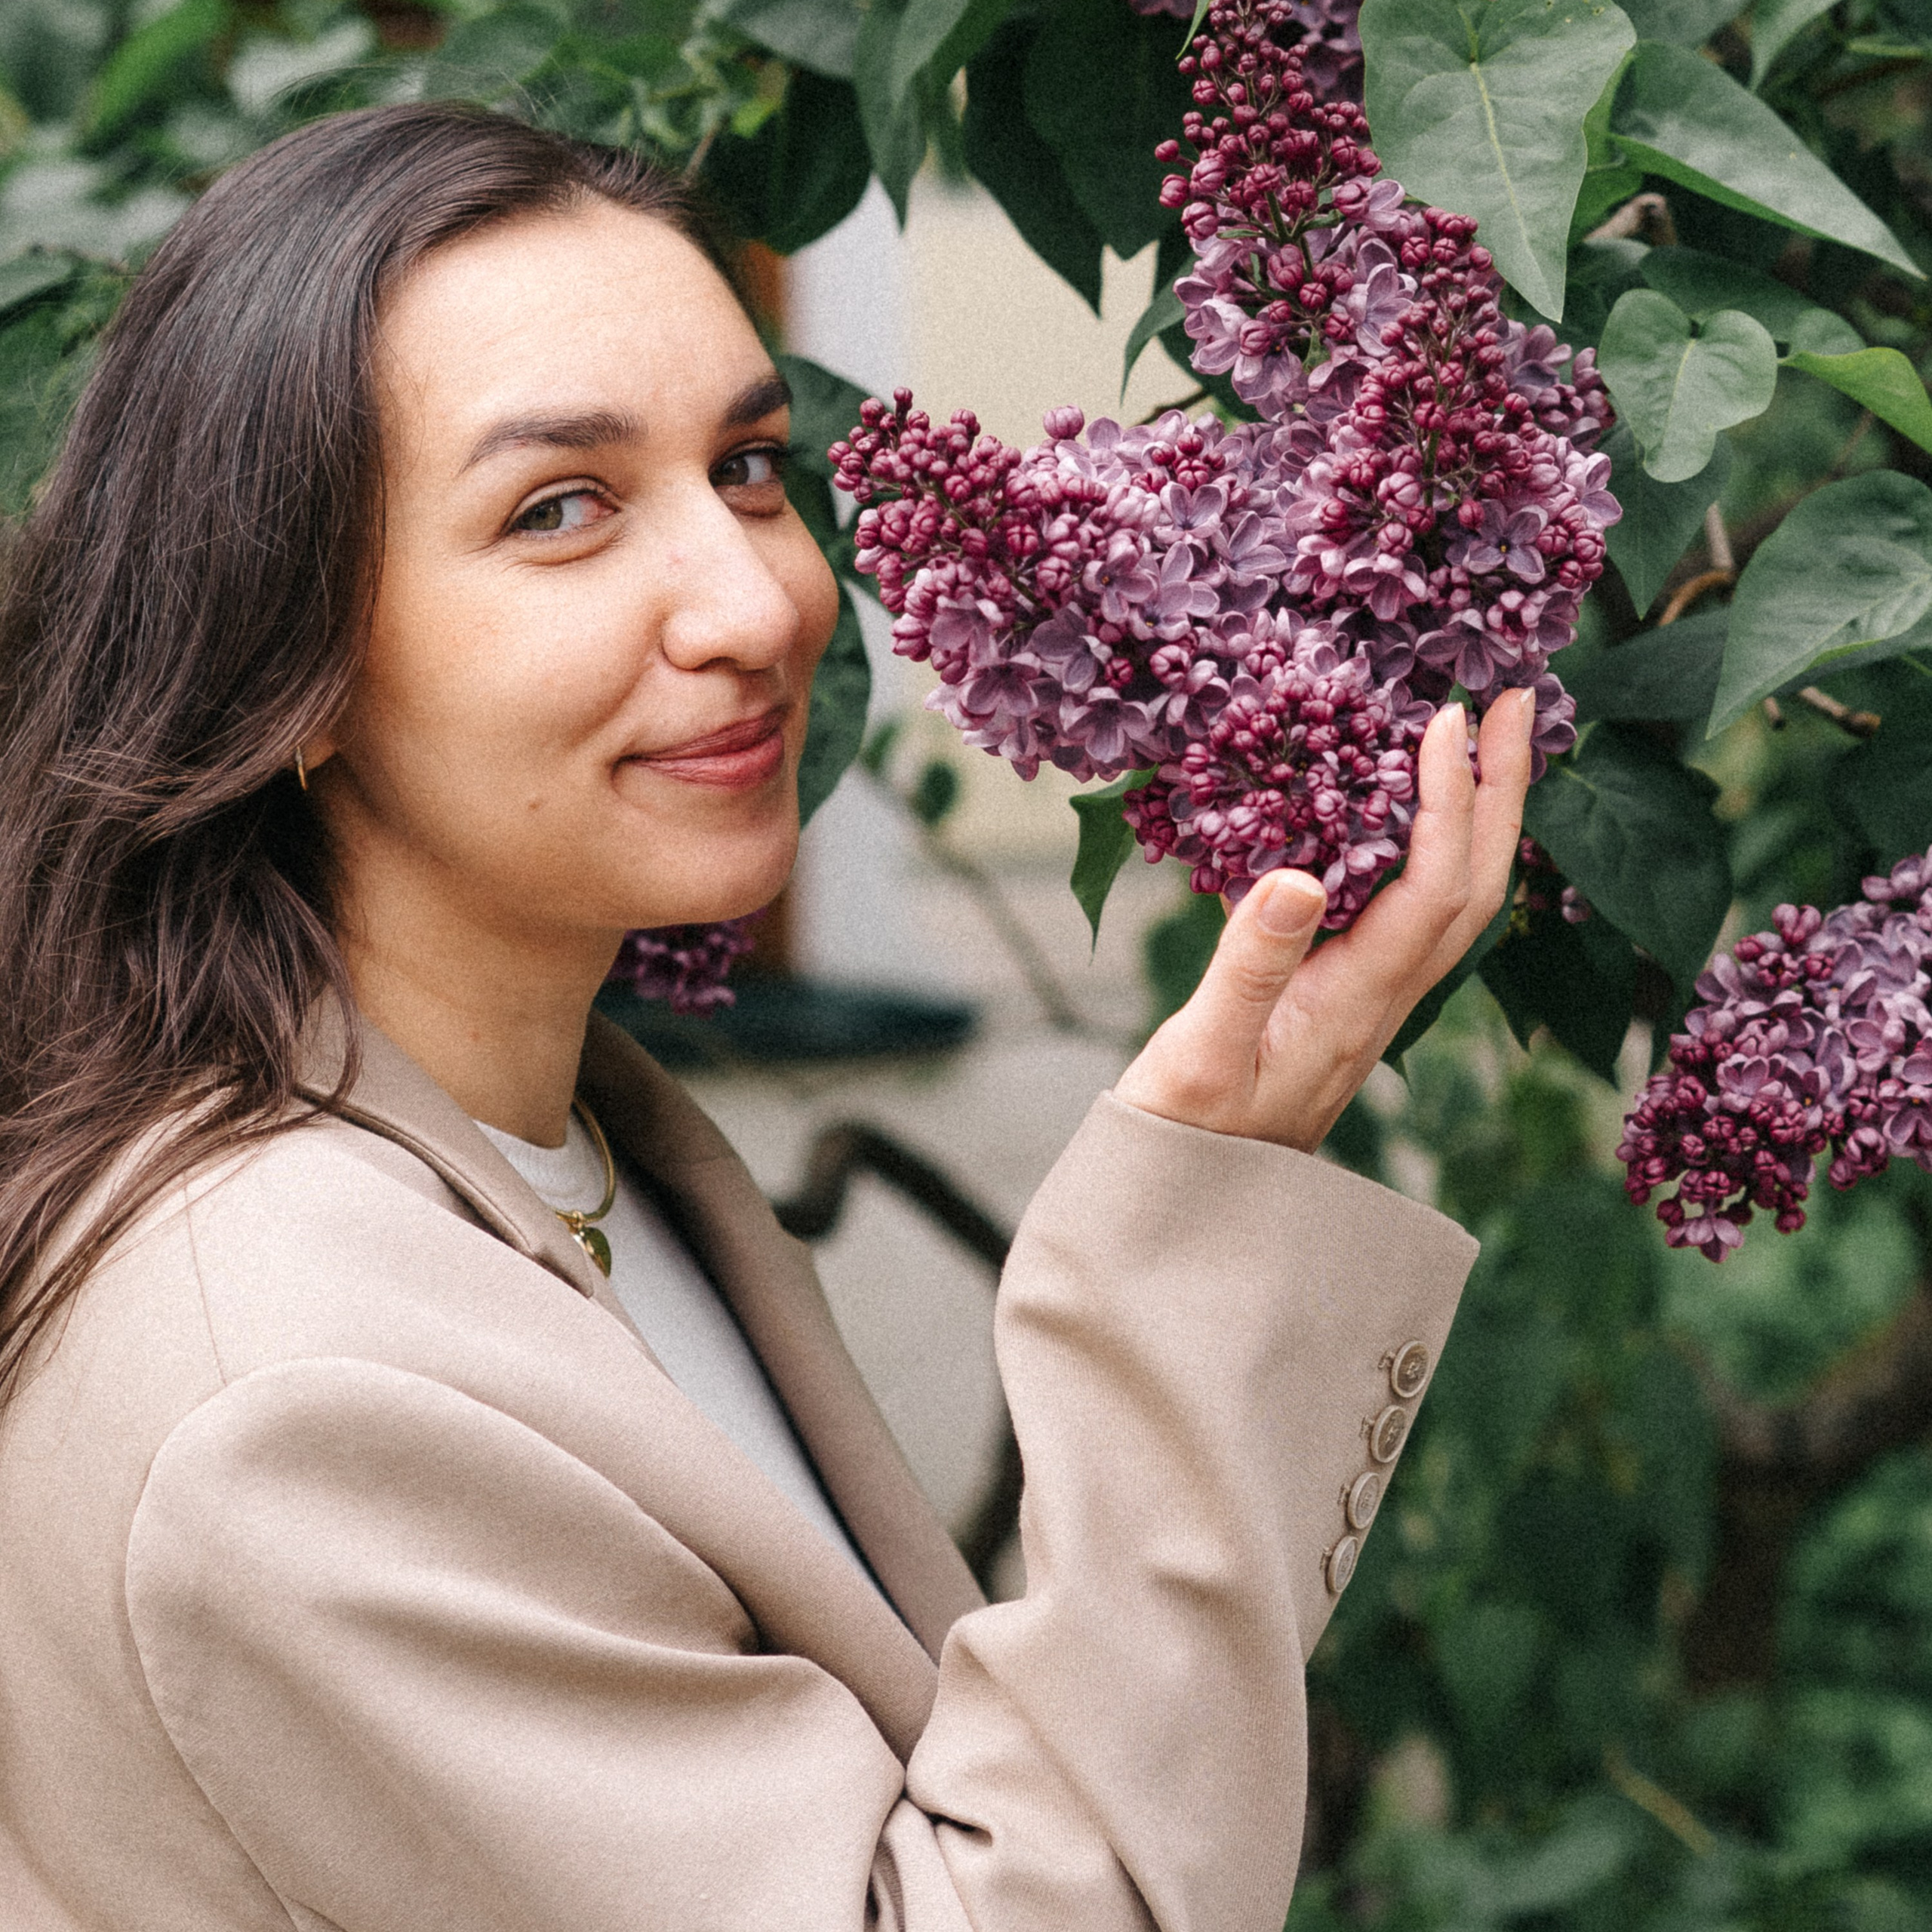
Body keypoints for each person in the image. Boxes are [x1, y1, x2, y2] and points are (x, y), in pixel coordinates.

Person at [0, 102, 1532, 1931]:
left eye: (744, 465)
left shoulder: (555, 1145)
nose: (755, 598)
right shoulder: (292, 1392)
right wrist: (1194, 1233)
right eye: (558, 509)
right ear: (289, 665)